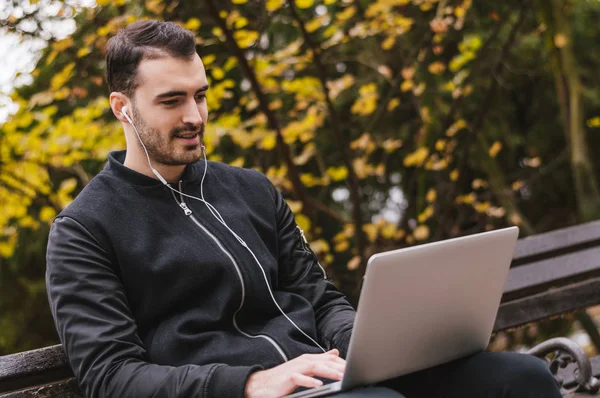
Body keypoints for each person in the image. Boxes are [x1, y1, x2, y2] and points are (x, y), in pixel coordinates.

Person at [45, 20, 562, 398]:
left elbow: (319, 297)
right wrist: (251, 382)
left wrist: (364, 344)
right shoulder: (84, 230)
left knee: (522, 380)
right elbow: (110, 376)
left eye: (200, 96)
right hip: (243, 395)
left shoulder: (250, 189)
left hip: (325, 377)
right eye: (171, 101)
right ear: (122, 107)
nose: (195, 116)